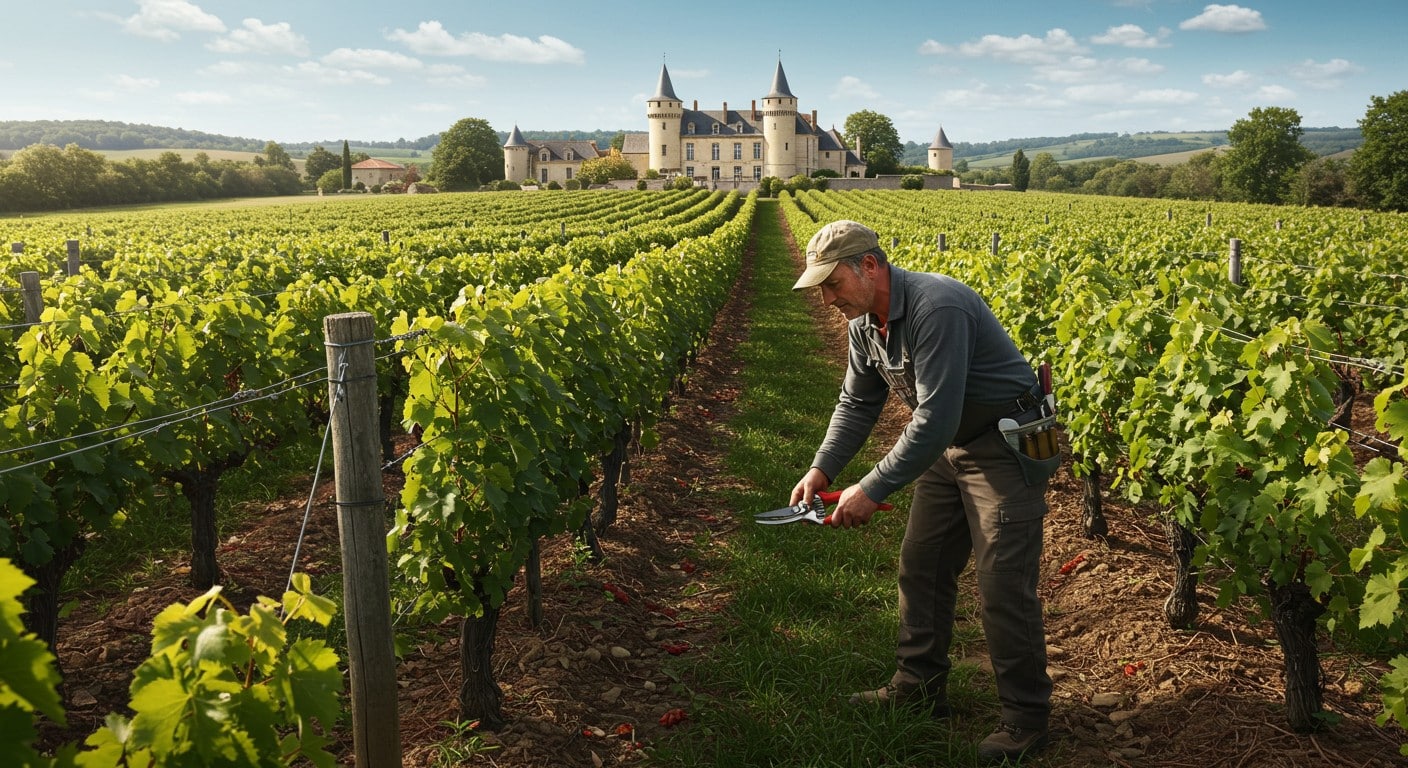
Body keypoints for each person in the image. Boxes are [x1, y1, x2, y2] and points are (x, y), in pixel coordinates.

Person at [789, 220, 1055, 765]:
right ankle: (919, 684)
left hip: (1006, 445)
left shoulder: (938, 307)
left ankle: (1027, 719)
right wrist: (823, 470)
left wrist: (870, 486)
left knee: (1003, 581)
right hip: (951, 445)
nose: (826, 299)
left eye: (832, 284)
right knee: (923, 563)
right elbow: (858, 403)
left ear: (869, 265)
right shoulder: (866, 323)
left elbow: (933, 418)